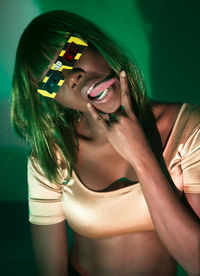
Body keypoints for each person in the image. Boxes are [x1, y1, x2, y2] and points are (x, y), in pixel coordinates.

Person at [11, 10, 200, 276]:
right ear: (51, 98)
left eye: (70, 53)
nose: (71, 75)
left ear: (94, 43)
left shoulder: (188, 128)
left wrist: (141, 156)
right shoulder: (52, 155)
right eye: (52, 80)